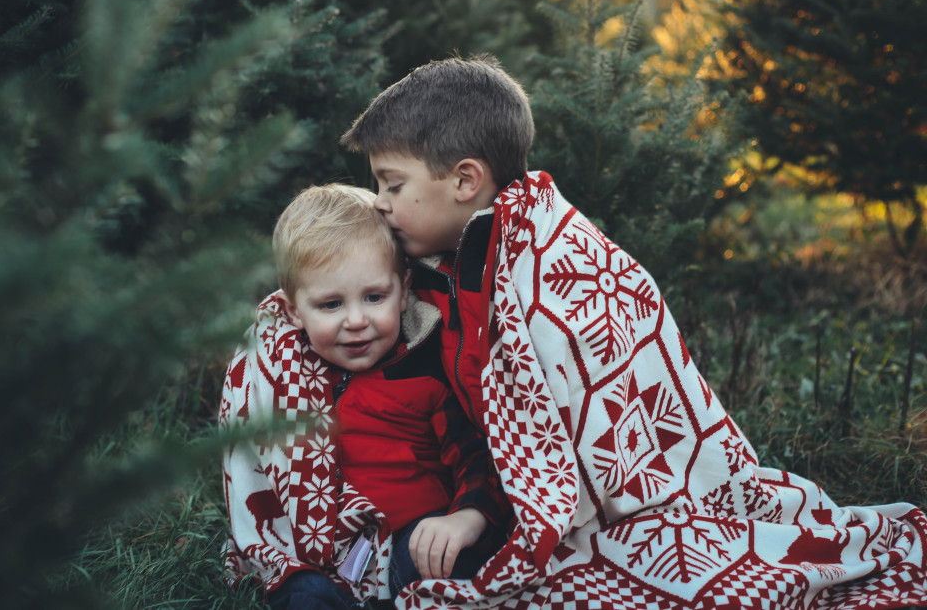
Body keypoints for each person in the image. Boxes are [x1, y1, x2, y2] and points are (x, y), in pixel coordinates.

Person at [336, 54, 927, 609]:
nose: (380, 203)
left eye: (392, 184)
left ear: (465, 181)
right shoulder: (449, 256)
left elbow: (591, 420)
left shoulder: (551, 269)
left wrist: (507, 515)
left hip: (612, 509)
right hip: (487, 494)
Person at [221, 184, 508, 609]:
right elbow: (256, 464)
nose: (356, 321)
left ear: (404, 287)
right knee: (301, 595)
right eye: (331, 305)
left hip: (415, 541)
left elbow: (476, 456)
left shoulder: (425, 370)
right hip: (319, 559)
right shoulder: (281, 377)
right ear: (294, 310)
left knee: (457, 562)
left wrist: (466, 518)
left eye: (375, 297)